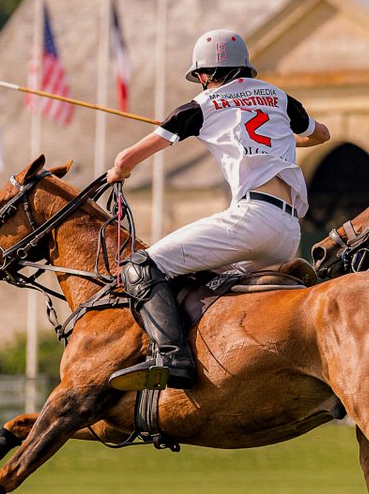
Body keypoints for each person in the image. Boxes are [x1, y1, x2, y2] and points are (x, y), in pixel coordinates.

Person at [105, 29, 331, 391]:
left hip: (251, 218)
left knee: (141, 266)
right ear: (244, 68)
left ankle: (172, 357)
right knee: (207, 285)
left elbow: (127, 157)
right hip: (288, 231)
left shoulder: (200, 106)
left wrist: (119, 171)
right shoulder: (280, 98)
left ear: (205, 74)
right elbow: (323, 135)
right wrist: (284, 143)